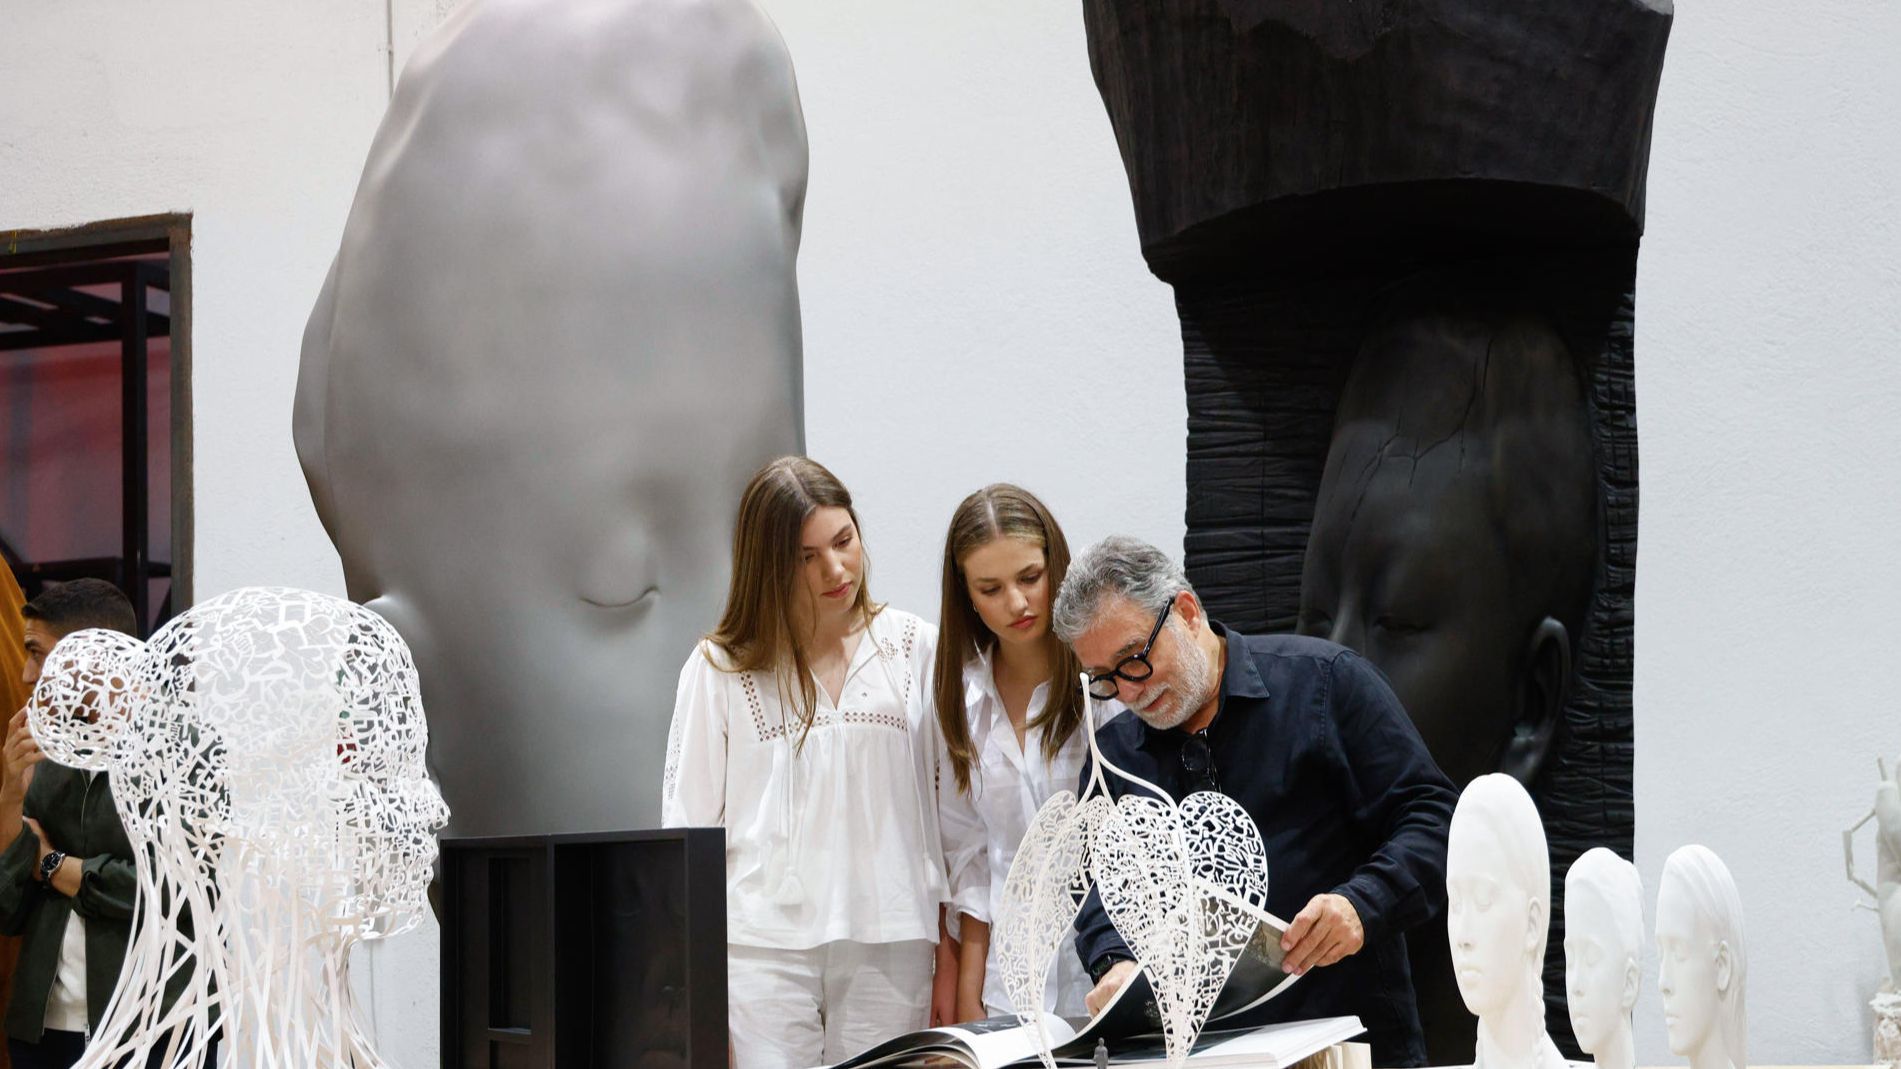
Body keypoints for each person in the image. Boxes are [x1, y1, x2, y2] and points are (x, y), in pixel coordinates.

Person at [1054, 537, 1456, 1067]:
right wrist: (1116, 964)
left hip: (1346, 1040)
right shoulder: (1115, 757)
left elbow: (1435, 819)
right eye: (1105, 679)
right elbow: (1095, 889)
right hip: (1198, 1055)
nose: (1128, 693)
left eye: (1134, 660)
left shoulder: (1327, 683)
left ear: (1188, 613)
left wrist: (1362, 904)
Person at [661, 457, 951, 1068]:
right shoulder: (720, 668)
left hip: (893, 936)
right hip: (758, 948)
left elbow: (952, 813)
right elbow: (686, 834)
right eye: (805, 556)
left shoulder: (914, 648)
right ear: (768, 564)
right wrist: (697, 992)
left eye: (844, 541)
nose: (835, 568)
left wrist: (949, 952)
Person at [932, 485, 1097, 1021]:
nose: (1018, 604)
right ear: (967, 595)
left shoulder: (1105, 684)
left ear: (1056, 564)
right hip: (1010, 991)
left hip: (1104, 977)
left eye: (1030, 577)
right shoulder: (961, 702)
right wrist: (969, 1007)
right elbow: (974, 863)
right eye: (991, 588)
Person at [0, 579, 140, 1069]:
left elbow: (168, 896)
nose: (26, 674)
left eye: (38, 653)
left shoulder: (178, 755)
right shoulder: (43, 752)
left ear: (91, 655)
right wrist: (10, 795)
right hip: (42, 1035)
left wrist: (50, 862)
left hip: (149, 1028)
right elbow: (6, 911)